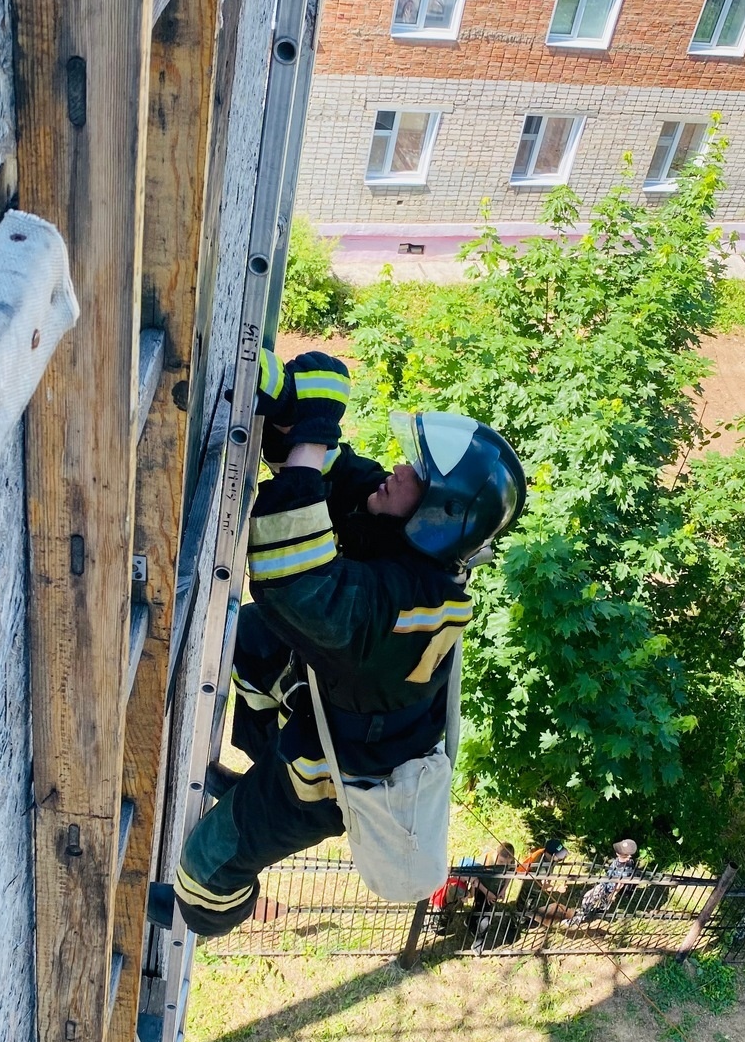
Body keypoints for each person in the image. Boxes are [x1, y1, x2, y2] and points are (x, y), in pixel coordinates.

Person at [168, 348, 527, 937]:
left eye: (418, 477)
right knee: (254, 642)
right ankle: (262, 766)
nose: (399, 472)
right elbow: (334, 475)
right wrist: (294, 414)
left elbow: (293, 578)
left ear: (440, 512)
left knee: (207, 862)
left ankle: (207, 907)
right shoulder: (407, 534)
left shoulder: (411, 605)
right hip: (339, 701)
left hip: (328, 774)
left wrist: (309, 439)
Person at [563, 838, 638, 927]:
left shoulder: (626, 868)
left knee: (588, 898)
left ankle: (581, 918)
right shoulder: (619, 860)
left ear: (628, 856)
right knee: (597, 901)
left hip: (609, 889)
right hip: (605, 884)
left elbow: (621, 883)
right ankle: (597, 911)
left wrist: (614, 894)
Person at [464, 843, 517, 952]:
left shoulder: (510, 863)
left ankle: (470, 921)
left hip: (495, 891)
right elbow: (474, 879)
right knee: (485, 917)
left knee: (483, 911)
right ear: (496, 854)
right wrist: (487, 892)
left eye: (508, 862)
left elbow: (509, 874)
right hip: (482, 890)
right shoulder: (484, 861)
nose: (504, 865)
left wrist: (503, 890)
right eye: (501, 862)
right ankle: (478, 944)